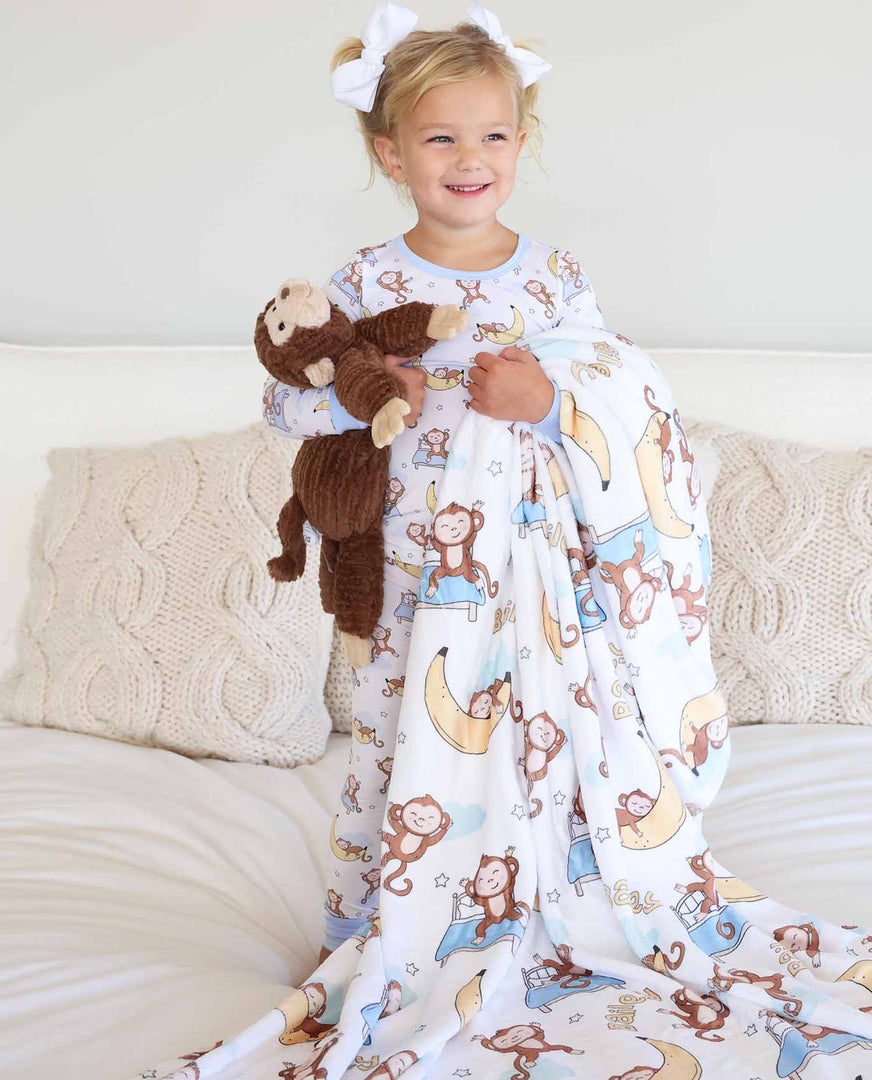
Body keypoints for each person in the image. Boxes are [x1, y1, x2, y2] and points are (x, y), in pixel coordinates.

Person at [260, 1, 605, 968]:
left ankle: (529, 920)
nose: (469, 155)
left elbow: (622, 410)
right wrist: (357, 404)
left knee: (531, 736)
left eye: (493, 133)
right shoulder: (363, 284)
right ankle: (372, 933)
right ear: (391, 156)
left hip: (530, 568)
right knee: (397, 736)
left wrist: (541, 403)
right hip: (407, 566)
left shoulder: (556, 282)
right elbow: (281, 405)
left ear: (523, 142)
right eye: (440, 136)